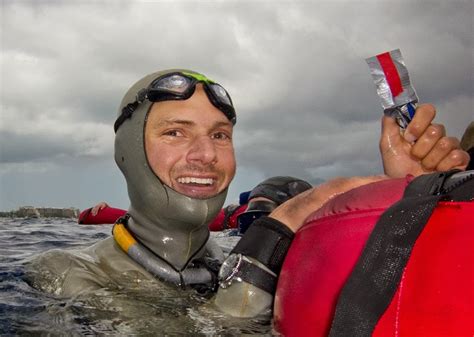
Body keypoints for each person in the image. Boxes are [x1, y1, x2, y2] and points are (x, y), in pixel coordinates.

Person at [26, 69, 470, 320]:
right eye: (175, 132)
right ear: (126, 154)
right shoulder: (63, 272)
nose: (204, 155)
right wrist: (272, 236)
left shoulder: (230, 261)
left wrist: (409, 206)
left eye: (220, 135)